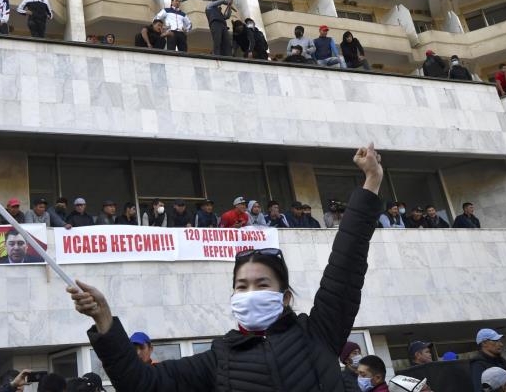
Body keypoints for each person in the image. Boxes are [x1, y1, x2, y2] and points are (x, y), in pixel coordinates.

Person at [68, 143, 386, 392]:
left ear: (285, 297)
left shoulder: (318, 334)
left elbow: (347, 263)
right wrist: (105, 321)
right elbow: (142, 384)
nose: (249, 293)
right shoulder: (219, 360)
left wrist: (371, 182)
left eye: (262, 285)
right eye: (241, 286)